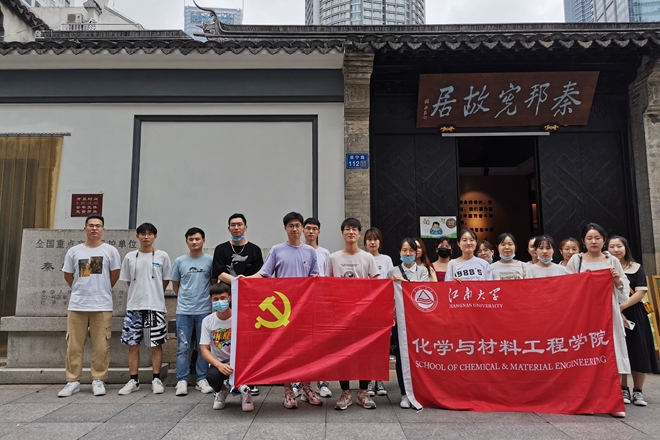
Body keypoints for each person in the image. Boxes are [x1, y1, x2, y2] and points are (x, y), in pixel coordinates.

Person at [251, 212, 322, 409]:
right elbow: (264, 274)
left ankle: (307, 387)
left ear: (302, 228)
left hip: (305, 309)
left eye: (297, 225)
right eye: (291, 225)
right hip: (283, 312)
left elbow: (315, 278)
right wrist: (243, 280)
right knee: (285, 351)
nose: (294, 229)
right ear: (285, 228)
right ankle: (288, 390)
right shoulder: (277, 250)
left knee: (307, 350)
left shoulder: (310, 252)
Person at [565, 223, 630, 418]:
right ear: (583, 241)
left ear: (604, 240)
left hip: (608, 313)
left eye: (598, 238)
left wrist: (617, 280)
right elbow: (566, 288)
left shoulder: (612, 260)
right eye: (589, 238)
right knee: (586, 356)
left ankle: (613, 401)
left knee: (612, 353)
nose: (594, 241)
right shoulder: (576, 260)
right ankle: (588, 400)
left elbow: (624, 293)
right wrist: (581, 280)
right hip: (584, 315)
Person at [58, 214, 121, 398]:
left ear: (103, 230)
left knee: (101, 346)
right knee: (74, 346)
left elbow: (115, 274)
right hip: (77, 305)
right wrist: (80, 289)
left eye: (98, 226)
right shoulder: (74, 251)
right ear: (85, 228)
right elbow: (68, 274)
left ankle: (98, 379)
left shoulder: (110, 251)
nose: (94, 228)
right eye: (91, 225)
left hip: (101, 305)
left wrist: (103, 289)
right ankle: (73, 381)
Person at [327, 217, 380, 410]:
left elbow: (376, 285)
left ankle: (363, 392)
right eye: (347, 229)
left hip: (363, 314)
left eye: (354, 229)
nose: (350, 232)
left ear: (359, 233)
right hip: (341, 315)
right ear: (342, 233)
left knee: (364, 353)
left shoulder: (367, 258)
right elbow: (327, 285)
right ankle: (345, 392)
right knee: (343, 354)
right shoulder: (333, 258)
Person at [211, 213, 264, 396]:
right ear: (229, 228)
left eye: (239, 224)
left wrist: (245, 282)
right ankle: (225, 380)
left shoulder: (254, 250)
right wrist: (236, 281)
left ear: (245, 227)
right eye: (233, 225)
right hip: (226, 301)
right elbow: (218, 272)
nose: (236, 228)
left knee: (248, 340)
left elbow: (261, 274)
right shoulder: (221, 249)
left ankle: (251, 379)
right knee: (227, 339)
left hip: (249, 302)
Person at [117, 223, 172, 395]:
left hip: (155, 307)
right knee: (133, 345)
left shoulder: (162, 256)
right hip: (134, 307)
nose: (146, 237)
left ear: (155, 236)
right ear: (137, 236)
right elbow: (129, 281)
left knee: (156, 344)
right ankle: (134, 380)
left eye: (149, 234)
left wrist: (154, 293)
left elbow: (165, 280)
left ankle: (156, 378)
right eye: (142, 233)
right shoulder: (130, 257)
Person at [607, 235, 659, 407]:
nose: (615, 250)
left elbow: (641, 291)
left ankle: (638, 390)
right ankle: (623, 388)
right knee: (620, 350)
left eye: (619, 246)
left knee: (639, 350)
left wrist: (621, 307)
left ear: (626, 248)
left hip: (634, 312)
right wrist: (616, 310)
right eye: (612, 246)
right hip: (611, 313)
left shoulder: (636, 268)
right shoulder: (605, 266)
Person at [171, 227, 214, 396]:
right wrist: (185, 299)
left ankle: (201, 379)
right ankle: (182, 379)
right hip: (184, 310)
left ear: (203, 240)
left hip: (204, 310)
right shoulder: (179, 261)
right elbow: (176, 285)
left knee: (204, 346)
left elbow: (213, 283)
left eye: (197, 239)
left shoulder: (210, 260)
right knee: (183, 346)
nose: (194, 242)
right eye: (191, 239)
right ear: (186, 241)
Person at [200, 282, 254, 412]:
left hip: (241, 362)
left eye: (223, 298)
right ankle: (221, 390)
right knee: (212, 376)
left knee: (254, 368)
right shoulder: (207, 321)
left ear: (229, 298)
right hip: (220, 363)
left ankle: (246, 392)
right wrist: (219, 365)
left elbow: (250, 344)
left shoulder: (241, 317)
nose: (220, 301)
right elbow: (204, 349)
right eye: (216, 299)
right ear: (211, 301)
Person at [388, 238, 429, 409]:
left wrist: (404, 284)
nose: (408, 253)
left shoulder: (423, 271)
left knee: (418, 355)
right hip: (399, 321)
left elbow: (423, 291)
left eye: (411, 250)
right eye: (404, 250)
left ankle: (419, 391)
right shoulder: (392, 271)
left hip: (418, 322)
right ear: (399, 252)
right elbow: (387, 296)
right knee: (401, 357)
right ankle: (404, 393)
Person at [303, 217, 332, 398]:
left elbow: (328, 278)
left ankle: (323, 381)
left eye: (314, 228)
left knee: (322, 343)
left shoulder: (325, 253)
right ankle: (300, 382)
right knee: (302, 343)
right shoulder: (299, 251)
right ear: (303, 230)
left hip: (321, 303)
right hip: (301, 304)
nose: (311, 231)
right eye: (308, 228)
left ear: (319, 232)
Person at [362, 226, 392, 398]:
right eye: (369, 239)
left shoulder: (386, 259)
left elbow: (389, 283)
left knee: (382, 346)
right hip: (365, 309)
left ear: (380, 242)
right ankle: (368, 380)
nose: (372, 242)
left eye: (375, 239)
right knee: (367, 346)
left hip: (382, 308)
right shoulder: (362, 257)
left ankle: (379, 379)